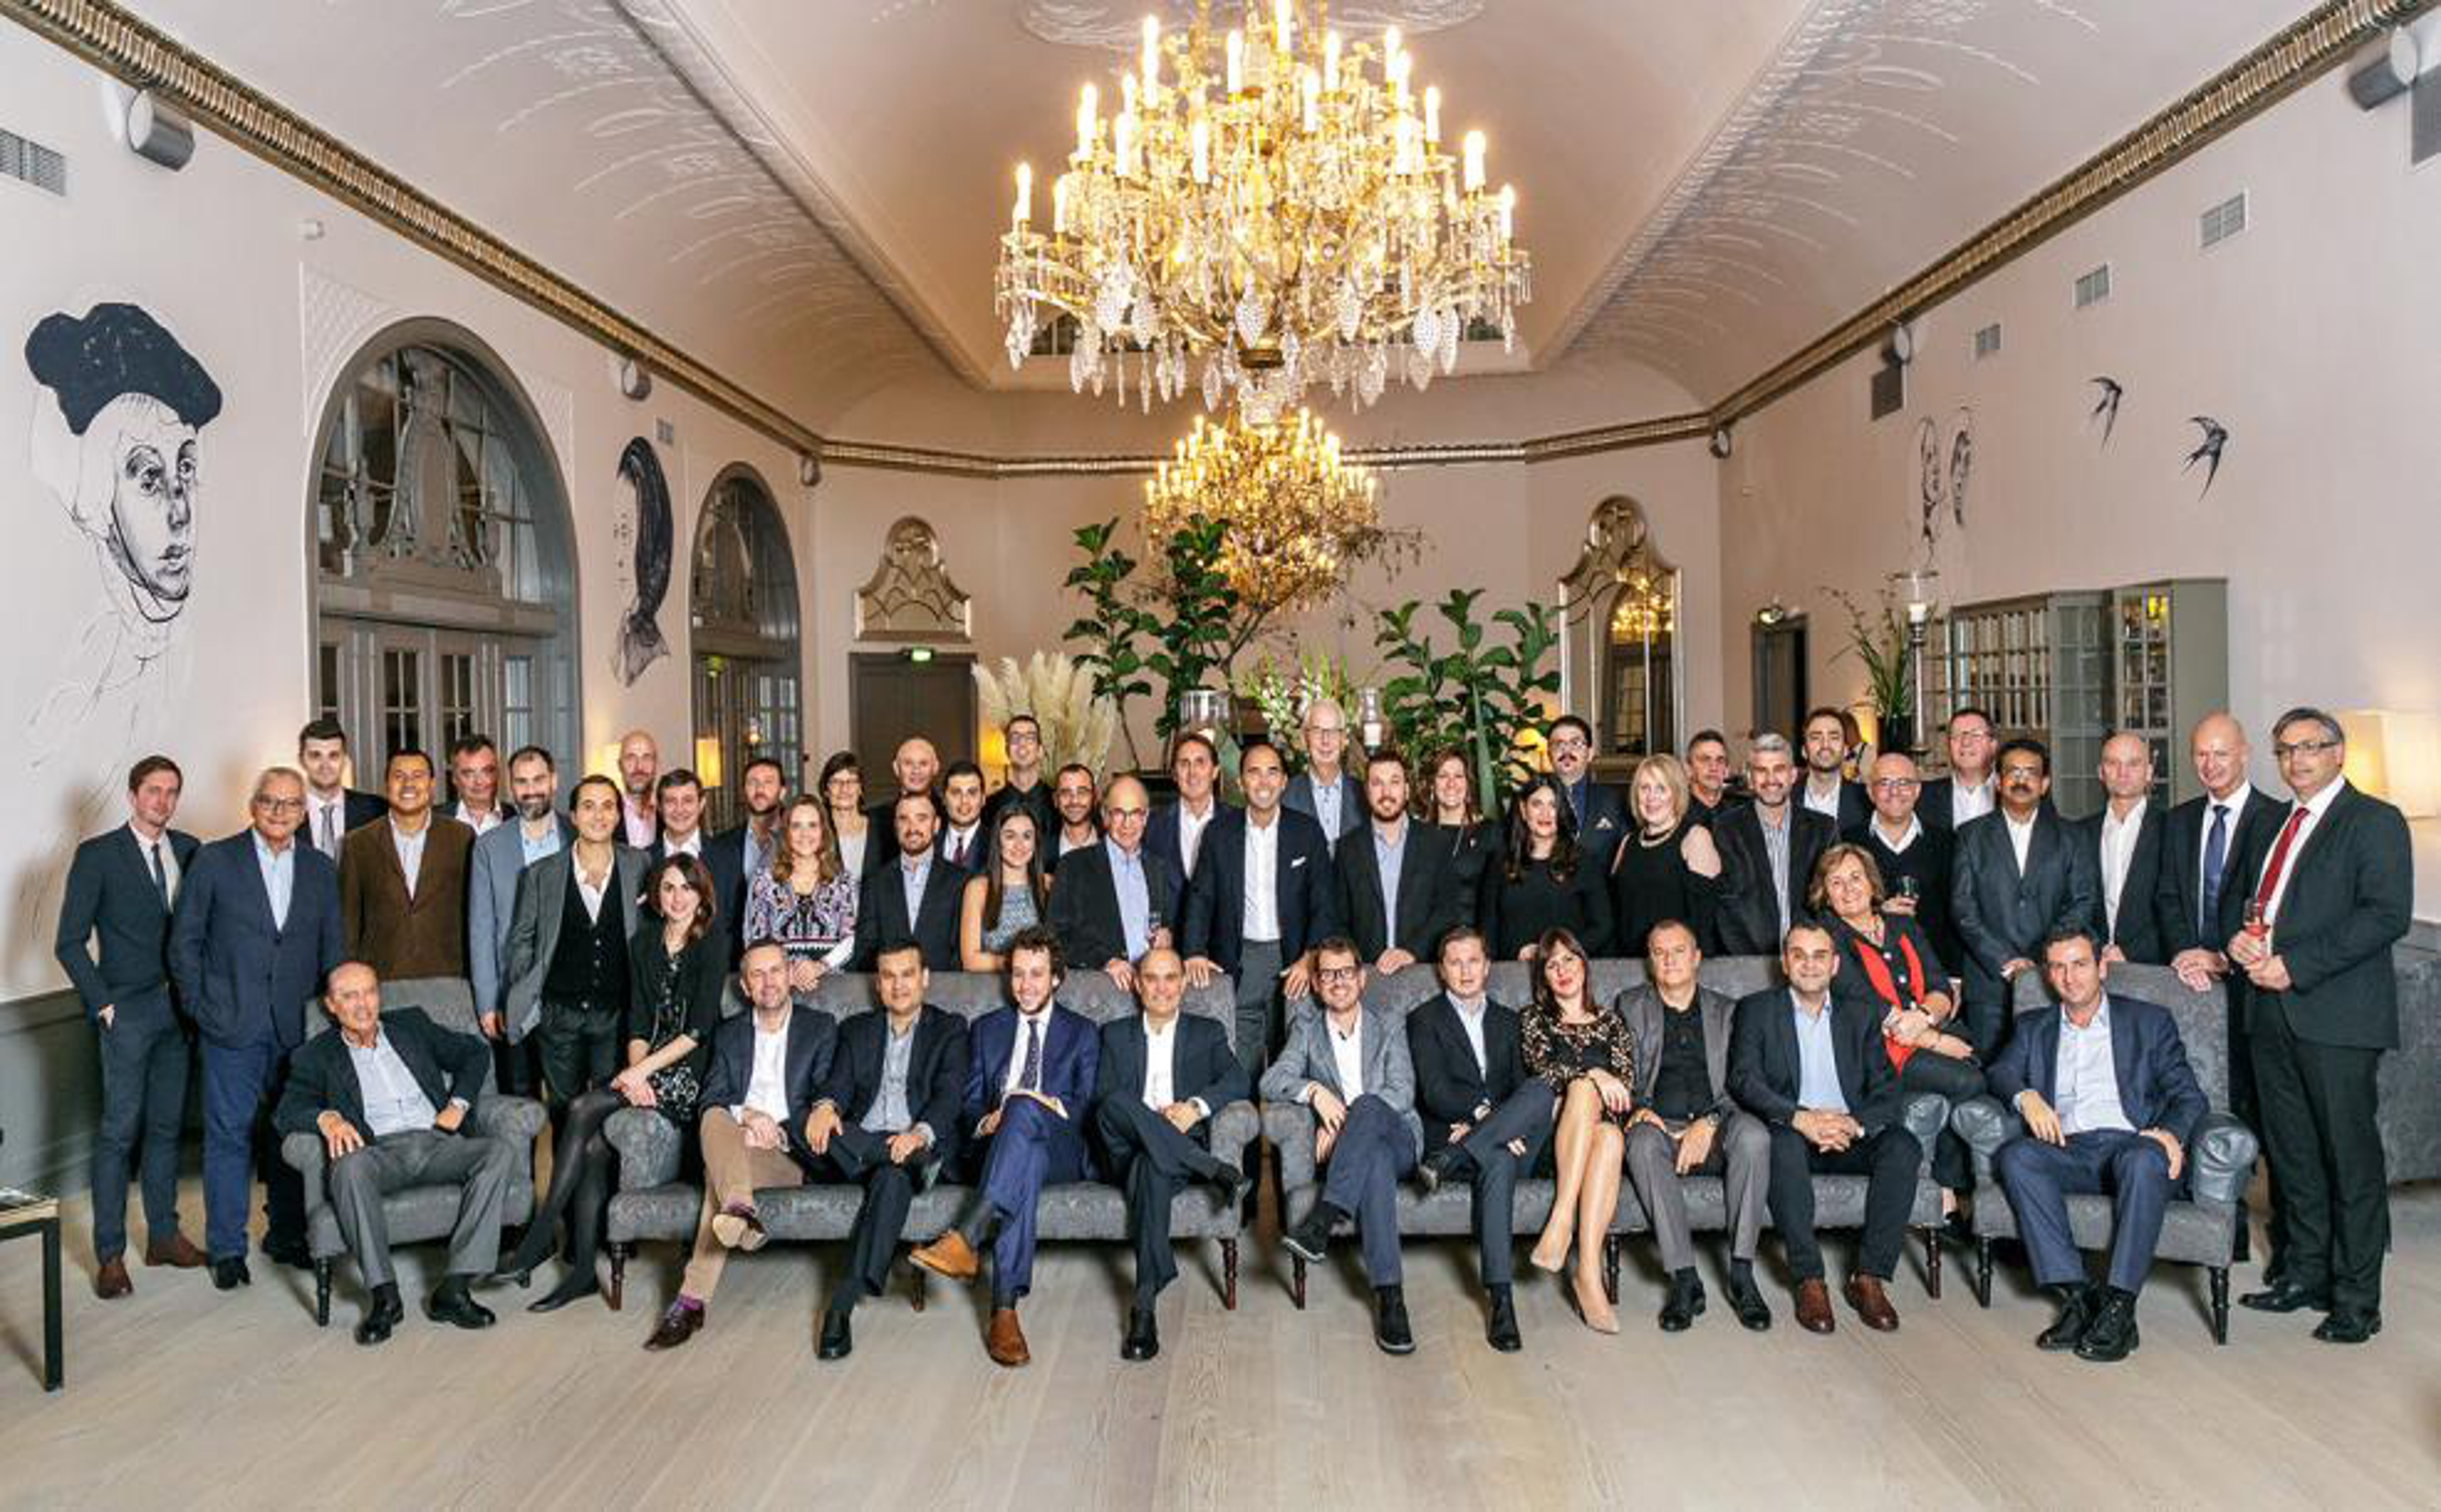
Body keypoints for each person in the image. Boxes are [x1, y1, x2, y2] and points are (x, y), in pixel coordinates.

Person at [2227, 707, 2412, 1344]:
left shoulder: (2374, 821)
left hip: (2336, 1018)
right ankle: (2302, 1274)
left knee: (2348, 1160)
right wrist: (2243, 942)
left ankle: (2356, 1299)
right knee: (2292, 1157)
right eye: (2285, 749)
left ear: (2339, 752)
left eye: (2310, 747)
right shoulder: (2275, 823)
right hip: (2268, 1012)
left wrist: (2295, 965)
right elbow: (2261, 906)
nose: (2296, 759)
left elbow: (2384, 915)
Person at [498, 855, 727, 1313]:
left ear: (702, 896)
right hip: (646, 1065)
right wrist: (637, 1073)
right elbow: (637, 1022)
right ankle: (584, 1271)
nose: (677, 898)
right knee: (593, 1145)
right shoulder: (642, 943)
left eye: (687, 888)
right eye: (668, 888)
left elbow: (698, 1031)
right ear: (656, 896)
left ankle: (541, 1231)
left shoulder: (713, 944)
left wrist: (642, 1074)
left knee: (581, 1108)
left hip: (690, 1070)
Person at [1988, 928, 2207, 1362]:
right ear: (2048, 974)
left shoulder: (2148, 1021)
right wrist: (2026, 1096)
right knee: (2016, 1156)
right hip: (2069, 1149)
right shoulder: (2035, 1026)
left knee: (2143, 1161)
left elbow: (2190, 1097)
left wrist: (2169, 1133)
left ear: (2102, 967)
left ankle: (2120, 1307)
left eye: (2080, 964)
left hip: (2133, 1145)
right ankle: (2077, 1297)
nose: (2070, 978)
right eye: (2058, 967)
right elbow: (1999, 1072)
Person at [273, 961, 512, 1345]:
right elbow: (286, 1111)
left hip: (437, 1143)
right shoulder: (316, 1055)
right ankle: (385, 1297)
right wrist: (326, 1118)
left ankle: (454, 1290)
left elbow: (474, 1053)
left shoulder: (411, 1025)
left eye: (369, 992)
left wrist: (459, 1103)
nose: (363, 1004)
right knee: (347, 1167)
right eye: (349, 996)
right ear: (331, 1005)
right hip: (378, 1154)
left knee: (498, 1152)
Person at [169, 766, 343, 1288]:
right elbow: (184, 942)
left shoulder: (319, 867)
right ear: (253, 806)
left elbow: (333, 948)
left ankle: (286, 1234)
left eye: (291, 803)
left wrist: (328, 1019)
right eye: (270, 801)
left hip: (299, 1026)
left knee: (294, 1131)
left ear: (303, 812)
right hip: (231, 1023)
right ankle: (227, 1248)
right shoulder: (214, 860)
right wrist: (200, 1006)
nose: (279, 811)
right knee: (228, 1135)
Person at [909, 928, 1100, 1367]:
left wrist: (1028, 1106)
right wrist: (987, 1121)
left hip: (1061, 1146)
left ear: (1056, 978)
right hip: (999, 1147)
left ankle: (966, 1237)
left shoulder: (1082, 1032)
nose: (1025, 985)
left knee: (1023, 1109)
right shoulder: (986, 1029)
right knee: (1023, 1156)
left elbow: (1086, 1106)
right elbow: (969, 1103)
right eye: (1018, 974)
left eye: (1036, 974)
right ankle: (1004, 1310)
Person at [54, 754, 206, 1296]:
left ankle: (163, 1236)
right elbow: (68, 942)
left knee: (166, 1128)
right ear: (133, 795)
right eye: (153, 791)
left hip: (178, 1013)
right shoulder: (98, 856)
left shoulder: (190, 849)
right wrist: (103, 1004)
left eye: (171, 791)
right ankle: (110, 1255)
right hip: (127, 1013)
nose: (163, 801)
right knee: (119, 1133)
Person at [1729, 923, 1922, 1335]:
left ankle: (1869, 1277)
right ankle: (1809, 1279)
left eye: (1819, 956)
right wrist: (1801, 1118)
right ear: (1785, 963)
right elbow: (1744, 1079)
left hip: (1849, 1133)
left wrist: (1854, 1124)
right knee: (1779, 1143)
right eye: (1798, 955)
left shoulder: (1861, 1015)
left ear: (1835, 965)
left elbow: (1888, 1089)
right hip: (1794, 1133)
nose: (1809, 965)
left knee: (1903, 1145)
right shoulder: (1756, 1009)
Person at [643, 943, 838, 1352]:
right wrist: (748, 1116)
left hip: (788, 1152)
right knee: (715, 1116)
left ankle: (690, 1302)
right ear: (745, 986)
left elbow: (825, 1098)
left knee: (719, 1174)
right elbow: (712, 1097)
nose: (768, 982)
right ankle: (738, 1212)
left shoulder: (820, 1027)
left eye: (775, 971)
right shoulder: (729, 1032)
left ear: (789, 975)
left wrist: (777, 1131)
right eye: (757, 975)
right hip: (735, 1140)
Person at [2156, 712, 2286, 1279]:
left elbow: (2273, 907)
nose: (2209, 765)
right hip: (2192, 987)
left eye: (2221, 754)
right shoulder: (2179, 819)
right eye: (2201, 755)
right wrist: (2187, 952)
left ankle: (2287, 1247)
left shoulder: (2277, 820)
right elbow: (2167, 895)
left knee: (2265, 1116)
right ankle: (2221, 1237)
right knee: (2205, 1105)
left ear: (2245, 753)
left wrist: (2223, 958)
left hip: (2255, 990)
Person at [802, 943, 970, 1361]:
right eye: (889, 976)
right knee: (797, 1122)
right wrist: (826, 1107)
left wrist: (919, 1136)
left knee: (892, 1180)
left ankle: (842, 1304)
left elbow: (950, 1095)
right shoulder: (856, 1028)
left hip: (911, 1143)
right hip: (861, 1141)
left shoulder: (950, 1028)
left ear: (924, 978)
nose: (898, 985)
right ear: (878, 984)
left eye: (907, 974)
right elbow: (838, 1084)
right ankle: (896, 1158)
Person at [1092, 947, 1249, 1362]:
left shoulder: (1207, 1031)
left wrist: (1195, 1107)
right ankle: (1214, 1170)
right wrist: (1150, 1120)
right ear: (1138, 985)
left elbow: (1238, 1079)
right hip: (1123, 1148)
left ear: (1182, 984)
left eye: (1170, 978)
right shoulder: (1114, 1034)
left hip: (1167, 1157)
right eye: (1151, 978)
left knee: (1152, 1166)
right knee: (1116, 1102)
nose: (1161, 988)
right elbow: (1102, 1099)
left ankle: (1144, 1306)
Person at [1268, 937, 1423, 1355]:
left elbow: (1402, 1092)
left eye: (1346, 972)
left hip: (1399, 1138)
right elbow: (1271, 1081)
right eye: (1328, 974)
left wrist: (1350, 1123)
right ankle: (1391, 1297)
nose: (1338, 981)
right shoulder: (1306, 1029)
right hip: (1360, 1158)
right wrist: (1314, 1092)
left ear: (1362, 978)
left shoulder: (1388, 1024)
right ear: (1317, 984)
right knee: (1374, 1162)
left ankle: (1323, 1217)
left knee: (1370, 1106)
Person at [1619, 920, 1774, 1332]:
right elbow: (1622, 1076)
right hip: (1660, 1128)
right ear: (1650, 960)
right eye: (1659, 952)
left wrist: (1710, 1121)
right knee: (1640, 1143)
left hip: (1718, 1126)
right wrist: (1639, 1108)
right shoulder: (1630, 1006)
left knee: (1755, 1136)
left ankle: (1742, 1274)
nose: (1669, 960)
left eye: (1678, 951)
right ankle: (1684, 1279)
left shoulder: (1729, 1011)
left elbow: (1744, 1083)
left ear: (1697, 957)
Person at [1406, 926, 1556, 1352]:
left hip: (1489, 1142)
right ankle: (1502, 1300)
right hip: (1474, 1139)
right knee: (1499, 1160)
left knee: (1541, 1090)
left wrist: (1501, 1126)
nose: (1465, 970)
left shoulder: (1510, 1020)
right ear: (1442, 969)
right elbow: (1435, 1091)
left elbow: (1523, 1088)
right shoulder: (1424, 1019)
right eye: (1455, 962)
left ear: (1487, 966)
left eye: (1473, 960)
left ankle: (1451, 1158)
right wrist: (1488, 1121)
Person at [1812, 845, 1981, 1209]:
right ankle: (1944, 1183)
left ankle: (1937, 1178)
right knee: (1969, 1080)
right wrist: (1933, 1040)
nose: (1848, 889)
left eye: (1855, 877)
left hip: (1922, 1028)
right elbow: (1860, 1000)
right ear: (1824, 893)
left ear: (1872, 883)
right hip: (1877, 1049)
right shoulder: (1828, 936)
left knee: (1971, 1073)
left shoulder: (1903, 925)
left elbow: (1939, 984)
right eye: (1836, 882)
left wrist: (1925, 1018)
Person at [1181, 738, 1336, 1077]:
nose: (1263, 781)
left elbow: (1324, 902)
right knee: (1241, 1063)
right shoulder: (1218, 833)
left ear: (1284, 781)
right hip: (1239, 959)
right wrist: (1193, 951)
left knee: (1294, 1059)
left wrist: (1311, 956)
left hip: (1293, 961)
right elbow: (1201, 897)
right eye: (1254, 772)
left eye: (1272, 772)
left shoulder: (1307, 831)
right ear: (1240, 782)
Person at [501, 774, 648, 1103]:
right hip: (558, 1016)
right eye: (589, 806)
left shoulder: (639, 864)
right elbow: (521, 940)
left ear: (618, 815)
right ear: (574, 815)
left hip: (616, 1015)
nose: (599, 815)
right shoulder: (541, 873)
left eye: (608, 806)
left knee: (609, 1108)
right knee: (562, 1109)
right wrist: (531, 985)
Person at [1518, 927, 1635, 1334]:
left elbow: (1625, 1090)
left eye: (1569, 959)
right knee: (1582, 1089)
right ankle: (1564, 1222)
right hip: (1551, 1141)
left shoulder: (1613, 1023)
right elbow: (1542, 1072)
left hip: (1601, 1143)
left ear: (1584, 965)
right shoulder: (1534, 1019)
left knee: (1611, 1136)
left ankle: (1586, 1270)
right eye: (1552, 965)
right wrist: (1596, 1074)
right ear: (1543, 977)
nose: (1562, 970)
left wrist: (1600, 1080)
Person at [1952, 738, 2099, 1058]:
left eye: (2030, 773)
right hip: (1989, 982)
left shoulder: (2072, 836)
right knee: (1990, 1071)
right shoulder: (1970, 835)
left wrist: (2042, 957)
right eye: (2012, 772)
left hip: (2052, 978)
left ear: (2044, 784)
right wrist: (2004, 959)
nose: (2021, 780)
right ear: (1998, 781)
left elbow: (2082, 901)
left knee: (2047, 1068)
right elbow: (1963, 908)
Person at [469, 745, 571, 1095]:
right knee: (518, 1097)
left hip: (569, 995)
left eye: (538, 780)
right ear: (510, 787)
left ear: (554, 781)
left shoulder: (578, 836)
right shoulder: (488, 846)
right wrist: (487, 1002)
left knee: (569, 1101)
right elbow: (481, 929)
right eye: (521, 782)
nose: (531, 790)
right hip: (512, 994)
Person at [338, 750, 473, 982]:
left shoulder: (462, 837)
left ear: (432, 784)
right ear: (386, 785)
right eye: (399, 776)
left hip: (449, 979)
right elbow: (348, 925)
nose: (408, 784)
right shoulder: (357, 843)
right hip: (380, 982)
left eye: (418, 776)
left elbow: (475, 915)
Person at [1334, 748, 1462, 976]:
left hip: (1423, 971)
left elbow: (1447, 910)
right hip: (1367, 974)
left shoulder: (1436, 843)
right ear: (1366, 791)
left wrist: (1411, 952)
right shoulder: (1347, 848)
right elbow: (1339, 918)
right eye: (1377, 783)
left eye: (1394, 782)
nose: (1386, 792)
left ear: (1407, 789)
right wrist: (1355, 963)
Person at [1045, 774, 1180, 991]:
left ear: (1146, 817)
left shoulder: (1159, 868)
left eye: (1136, 813)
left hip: (1152, 990)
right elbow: (1055, 937)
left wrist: (1169, 935)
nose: (1127, 823)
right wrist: (1105, 960)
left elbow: (1171, 924)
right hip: (1098, 991)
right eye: (1118, 813)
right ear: (1105, 815)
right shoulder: (1073, 866)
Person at [1712, 733, 1835, 957]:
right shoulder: (1725, 829)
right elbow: (1723, 905)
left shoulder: (1823, 829)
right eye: (1761, 770)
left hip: (1810, 959)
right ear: (1750, 778)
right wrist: (1749, 961)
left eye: (1779, 769)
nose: (1771, 779)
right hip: (1747, 960)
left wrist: (1813, 952)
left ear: (1793, 775)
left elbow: (1831, 899)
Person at [1479, 772, 1612, 960]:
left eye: (1553, 805)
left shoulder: (1584, 862)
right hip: (1511, 971)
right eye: (1537, 804)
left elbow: (1602, 927)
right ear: (1523, 810)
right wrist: (1513, 954)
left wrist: (1558, 953)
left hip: (1567, 970)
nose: (1545, 813)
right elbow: (1487, 929)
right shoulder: (1500, 863)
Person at [1855, 751, 1962, 975]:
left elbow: (1958, 916)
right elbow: (1833, 915)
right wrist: (1876, 914)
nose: (1894, 791)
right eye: (1884, 783)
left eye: (1904, 783)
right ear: (1870, 791)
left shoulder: (1947, 843)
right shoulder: (1848, 842)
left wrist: (1954, 976)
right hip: (1866, 973)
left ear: (1917, 790)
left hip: (1933, 973)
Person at [1609, 752, 1723, 957]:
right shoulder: (1628, 842)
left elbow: (1706, 921)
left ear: (1677, 794)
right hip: (1629, 962)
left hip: (1677, 964)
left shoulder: (1695, 837)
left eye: (1661, 788)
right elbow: (1617, 912)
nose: (1651, 797)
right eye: (1644, 788)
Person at [744, 794, 859, 991]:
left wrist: (819, 967)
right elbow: (754, 939)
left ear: (823, 831)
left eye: (812, 825)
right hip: (777, 987)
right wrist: (787, 971)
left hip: (833, 986)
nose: (805, 834)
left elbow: (852, 938)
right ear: (786, 832)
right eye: (796, 826)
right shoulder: (763, 881)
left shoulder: (843, 881)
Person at [2078, 732, 2171, 966]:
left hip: (2152, 967)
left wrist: (2131, 952)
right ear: (2101, 772)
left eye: (2133, 763)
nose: (2123, 772)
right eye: (2113, 763)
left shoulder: (2173, 829)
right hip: (2092, 965)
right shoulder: (2079, 833)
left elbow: (2177, 907)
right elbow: (2074, 903)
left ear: (2149, 772)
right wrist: (2095, 949)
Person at [851, 787, 962, 971]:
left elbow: (961, 951)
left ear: (936, 825)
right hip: (891, 986)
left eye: (921, 818)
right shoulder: (875, 882)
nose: (912, 828)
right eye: (904, 819)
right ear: (895, 826)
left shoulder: (961, 881)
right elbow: (865, 949)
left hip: (945, 986)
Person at [703, 753, 785, 952]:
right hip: (734, 954)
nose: (760, 789)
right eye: (752, 782)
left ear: (782, 791)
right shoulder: (719, 846)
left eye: (768, 782)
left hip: (784, 954)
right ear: (743, 791)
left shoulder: (797, 842)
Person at [959, 805, 1050, 971]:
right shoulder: (978, 889)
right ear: (997, 841)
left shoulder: (1049, 885)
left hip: (1038, 984)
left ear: (1035, 842)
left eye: (1027, 836)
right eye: (1010, 836)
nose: (1019, 845)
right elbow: (970, 960)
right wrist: (1017, 964)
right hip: (989, 985)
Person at [1145, 732, 1233, 890]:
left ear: (1215, 771)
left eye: (1200, 763)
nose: (1192, 773)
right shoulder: (1152, 825)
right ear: (1174, 774)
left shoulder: (1237, 822)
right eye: (1184, 764)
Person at [1545, 715, 1629, 876]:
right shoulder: (1532, 801)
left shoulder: (1613, 800)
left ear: (1590, 753)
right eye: (1558, 744)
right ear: (1549, 754)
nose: (1566, 751)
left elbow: (1629, 852)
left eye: (1576, 743)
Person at [1417, 745, 1497, 906]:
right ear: (1432, 785)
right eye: (1443, 776)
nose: (1451, 783)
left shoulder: (1489, 832)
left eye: (1458, 776)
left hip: (1474, 922)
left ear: (1468, 784)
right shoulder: (1417, 835)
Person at [1282, 697, 1364, 853]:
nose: (1325, 740)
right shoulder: (1285, 794)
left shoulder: (1364, 794)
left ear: (1343, 740)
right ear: (1305, 738)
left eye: (1333, 731)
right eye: (1317, 731)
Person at [297, 718, 386, 860]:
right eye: (315, 756)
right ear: (301, 760)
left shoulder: (376, 809)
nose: (325, 765)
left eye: (333, 755)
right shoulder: (286, 812)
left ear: (344, 760)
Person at [1917, 707, 2000, 835]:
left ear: (1993, 745)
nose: (1966, 742)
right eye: (1956, 735)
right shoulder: (1922, 796)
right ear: (1948, 746)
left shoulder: (2011, 793)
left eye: (1976, 735)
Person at [980, 713, 1057, 843]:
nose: (1022, 744)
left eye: (1030, 738)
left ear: (1040, 751)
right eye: (1015, 739)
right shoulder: (988, 807)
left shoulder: (1057, 804)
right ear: (1007, 750)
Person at [1798, 707, 1873, 836]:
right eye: (1816, 737)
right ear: (1804, 751)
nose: (1825, 745)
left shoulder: (1867, 800)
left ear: (1846, 750)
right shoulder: (1786, 799)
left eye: (1834, 737)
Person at [864, 737, 941, 832]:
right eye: (908, 763)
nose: (916, 771)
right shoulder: (875, 819)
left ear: (935, 767)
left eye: (923, 764)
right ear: (896, 768)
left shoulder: (949, 815)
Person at [819, 751, 874, 880]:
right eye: (836, 782)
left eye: (851, 781)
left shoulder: (880, 831)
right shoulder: (817, 831)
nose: (844, 789)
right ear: (826, 790)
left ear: (860, 789)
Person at [445, 735, 508, 834]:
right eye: (468, 773)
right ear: (454, 778)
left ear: (497, 773)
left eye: (487, 771)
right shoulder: (433, 820)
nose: (479, 781)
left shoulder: (517, 817)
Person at [1046, 761, 1103, 871]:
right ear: (1055, 800)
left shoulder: (1112, 846)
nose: (1074, 800)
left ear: (1095, 797)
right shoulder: (1041, 852)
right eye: (1066, 793)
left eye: (1082, 792)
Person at [937, 760, 989, 871]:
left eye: (972, 793)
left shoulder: (997, 843)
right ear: (944, 799)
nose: (964, 801)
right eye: (956, 793)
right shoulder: (929, 843)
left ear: (983, 799)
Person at [1684, 729, 1743, 828]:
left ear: (1727, 769)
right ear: (1689, 769)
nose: (1714, 767)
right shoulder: (1677, 812)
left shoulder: (1741, 810)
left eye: (1720, 760)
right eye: (1705, 760)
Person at [648, 768, 708, 860]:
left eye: (687, 800)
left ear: (701, 804)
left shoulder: (727, 855)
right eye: (671, 801)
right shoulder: (643, 861)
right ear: (659, 807)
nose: (679, 809)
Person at [615, 729, 660, 848]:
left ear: (656, 765)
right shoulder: (608, 814)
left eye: (647, 757)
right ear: (620, 765)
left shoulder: (670, 813)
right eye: (631, 758)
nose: (639, 767)